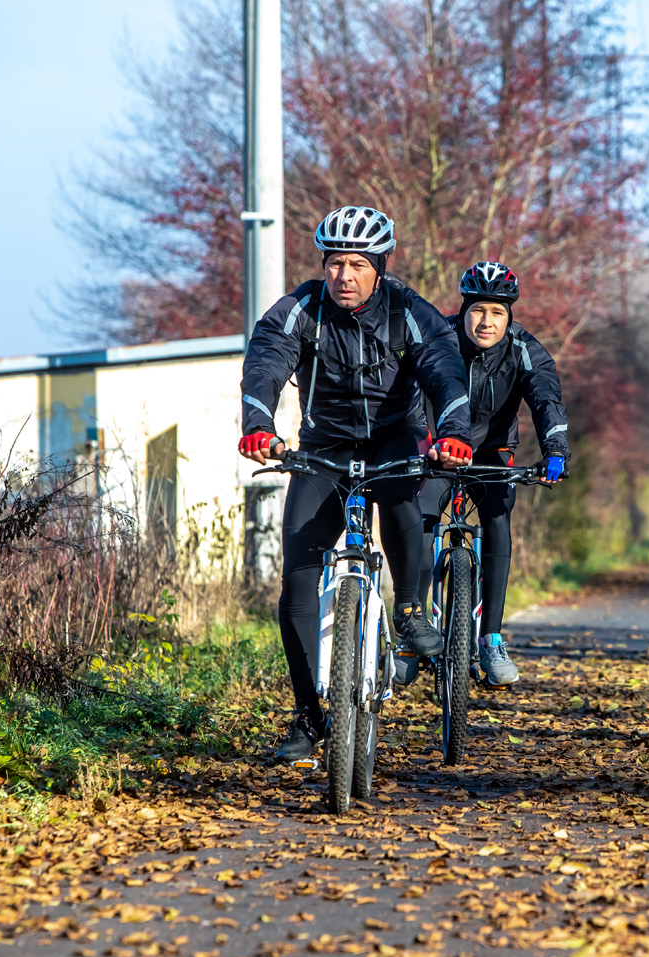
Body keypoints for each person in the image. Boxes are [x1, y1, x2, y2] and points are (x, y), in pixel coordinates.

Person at [239, 205, 474, 763]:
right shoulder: (300, 309)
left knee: (400, 497)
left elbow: (445, 370)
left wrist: (454, 433)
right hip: (323, 446)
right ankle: (306, 718)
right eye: (335, 264)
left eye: (357, 265)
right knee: (295, 584)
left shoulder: (407, 310)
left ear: (380, 266)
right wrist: (258, 425)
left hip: (394, 438)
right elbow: (265, 361)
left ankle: (412, 611)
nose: (344, 276)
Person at [413, 261, 569, 688]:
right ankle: (415, 628)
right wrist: (423, 444)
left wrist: (555, 450)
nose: (487, 321)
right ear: (463, 311)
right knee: (421, 516)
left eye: (497, 312)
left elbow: (546, 401)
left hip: (493, 451)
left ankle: (492, 639)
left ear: (510, 316)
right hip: (439, 448)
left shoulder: (524, 348)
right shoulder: (437, 339)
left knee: (498, 519)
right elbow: (406, 393)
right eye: (478, 310)